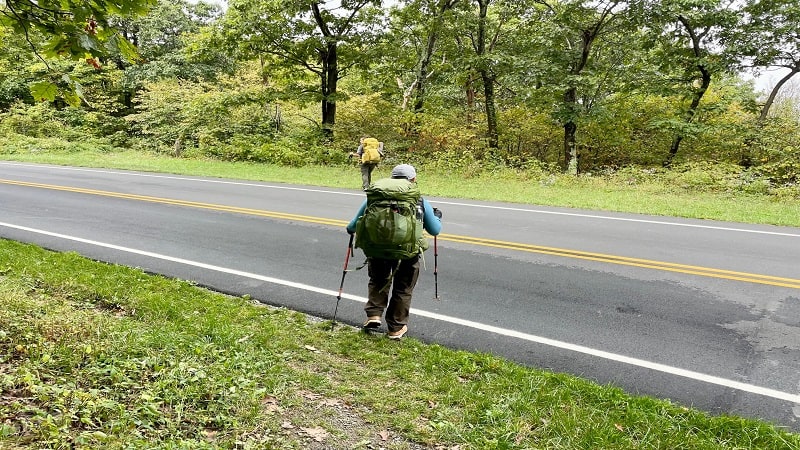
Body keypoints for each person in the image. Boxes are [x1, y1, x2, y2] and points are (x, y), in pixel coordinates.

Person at [346, 164, 442, 339]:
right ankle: (396, 329)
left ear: (392, 178)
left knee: (377, 281)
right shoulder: (419, 199)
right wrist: (437, 217)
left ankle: (374, 315)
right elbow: (435, 230)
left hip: (377, 250)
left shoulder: (374, 198)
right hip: (407, 253)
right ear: (413, 180)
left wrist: (353, 230)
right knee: (403, 288)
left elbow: (352, 226)